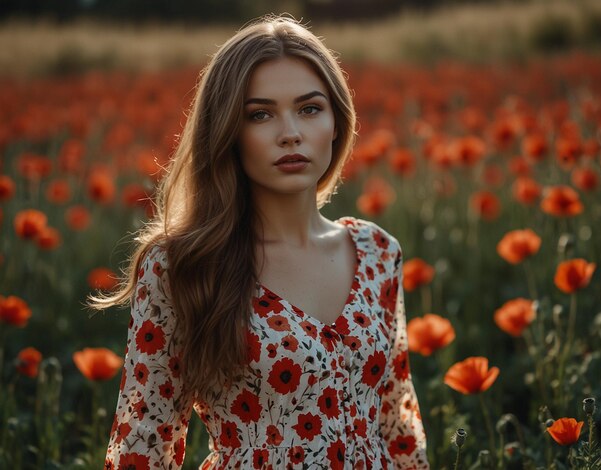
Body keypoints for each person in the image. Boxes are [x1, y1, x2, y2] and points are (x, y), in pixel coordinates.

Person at [95, 14, 429, 470]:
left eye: (310, 108)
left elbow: (397, 425)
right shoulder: (183, 265)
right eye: (260, 114)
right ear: (229, 132)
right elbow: (145, 440)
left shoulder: (377, 253)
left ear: (336, 122)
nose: (289, 131)